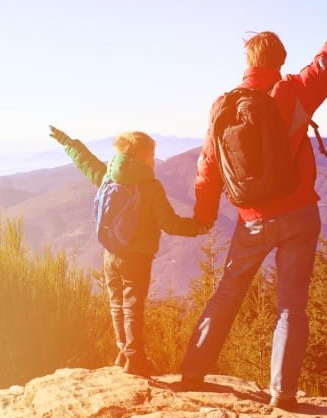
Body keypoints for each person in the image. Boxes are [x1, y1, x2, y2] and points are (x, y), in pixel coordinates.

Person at [179, 0, 327, 409]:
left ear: (248, 63)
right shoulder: (296, 91)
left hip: (250, 220)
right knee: (291, 305)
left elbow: (207, 165)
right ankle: (282, 394)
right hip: (297, 216)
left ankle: (193, 372)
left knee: (227, 292)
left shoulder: (223, 106)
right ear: (280, 61)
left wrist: (203, 215)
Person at [49, 126, 208, 376]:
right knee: (133, 308)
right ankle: (135, 361)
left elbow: (86, 162)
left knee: (116, 305)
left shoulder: (108, 176)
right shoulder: (150, 186)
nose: (154, 161)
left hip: (110, 254)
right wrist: (199, 227)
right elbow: (170, 224)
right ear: (144, 157)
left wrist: (68, 143)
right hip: (136, 257)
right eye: (152, 156)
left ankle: (123, 353)